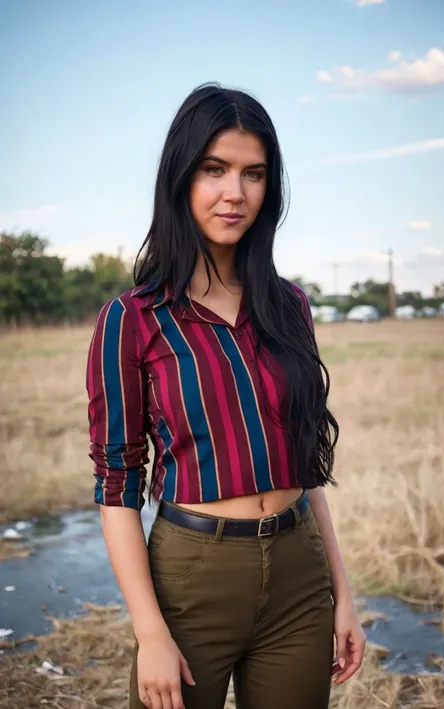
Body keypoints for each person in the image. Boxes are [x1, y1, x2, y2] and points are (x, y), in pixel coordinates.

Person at [86, 83, 366, 709]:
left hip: (299, 574)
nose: (234, 192)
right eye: (215, 169)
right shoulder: (132, 319)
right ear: (182, 176)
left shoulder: (289, 305)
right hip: (193, 578)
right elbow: (117, 484)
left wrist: (340, 593)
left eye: (253, 174)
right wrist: (149, 631)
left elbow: (306, 459)